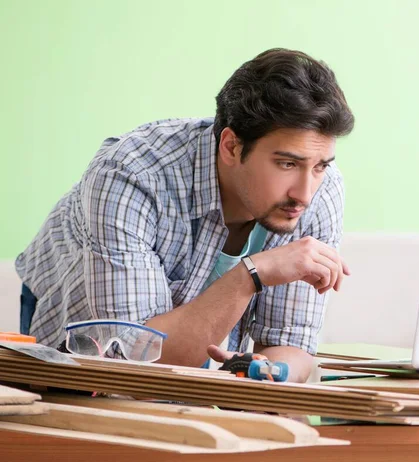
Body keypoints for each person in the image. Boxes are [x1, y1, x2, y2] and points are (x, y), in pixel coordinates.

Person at [15, 48, 355, 382]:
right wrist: (252, 273)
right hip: (77, 320)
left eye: (321, 166)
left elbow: (290, 344)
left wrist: (268, 373)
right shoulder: (131, 174)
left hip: (179, 340)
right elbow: (138, 363)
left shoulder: (320, 189)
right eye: (287, 164)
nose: (305, 193)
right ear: (232, 147)